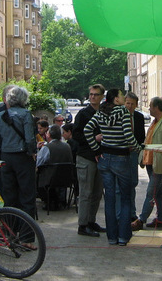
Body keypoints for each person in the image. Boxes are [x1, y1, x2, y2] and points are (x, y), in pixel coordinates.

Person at [84, 88, 140, 246]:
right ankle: (123, 236)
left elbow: (88, 130)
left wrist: (96, 149)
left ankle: (112, 237)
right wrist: (139, 149)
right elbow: (129, 136)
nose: (124, 98)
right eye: (122, 95)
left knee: (109, 198)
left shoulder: (101, 112)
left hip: (105, 158)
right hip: (121, 158)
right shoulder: (123, 112)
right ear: (116, 99)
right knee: (125, 197)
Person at [0, 86, 38, 223]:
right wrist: (32, 153)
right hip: (22, 157)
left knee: (9, 196)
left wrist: (1, 153)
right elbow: (29, 139)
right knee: (27, 196)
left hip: (6, 157)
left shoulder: (0, 116)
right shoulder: (26, 114)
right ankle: (26, 236)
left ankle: (10, 229)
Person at [72, 84, 107, 237]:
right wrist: (94, 138)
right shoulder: (83, 114)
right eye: (91, 94)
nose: (93, 97)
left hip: (99, 157)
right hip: (86, 157)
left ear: (102, 96)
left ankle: (91, 221)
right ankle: (83, 225)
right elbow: (76, 136)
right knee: (86, 193)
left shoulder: (104, 113)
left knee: (97, 192)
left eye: (96, 94)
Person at [131, 97, 162, 231]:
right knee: (158, 191)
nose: (149, 108)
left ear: (156, 108)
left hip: (159, 162)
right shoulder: (155, 121)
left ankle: (141, 219)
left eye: (150, 106)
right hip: (150, 161)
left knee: (151, 191)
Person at [119, 91, 145, 222]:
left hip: (134, 154)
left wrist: (140, 153)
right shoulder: (118, 116)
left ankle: (132, 213)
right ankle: (122, 213)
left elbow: (141, 138)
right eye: (127, 103)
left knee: (132, 183)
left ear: (136, 105)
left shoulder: (139, 117)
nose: (129, 106)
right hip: (121, 154)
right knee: (121, 185)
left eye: (132, 104)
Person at [36, 124, 74, 210]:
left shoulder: (46, 148)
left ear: (48, 135)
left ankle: (49, 201)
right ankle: (60, 201)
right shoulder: (67, 146)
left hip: (50, 179)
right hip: (67, 179)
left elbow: (39, 163)